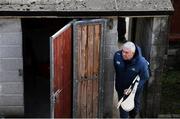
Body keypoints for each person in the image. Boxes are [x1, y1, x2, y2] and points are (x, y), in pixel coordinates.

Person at [113, 41, 150, 118]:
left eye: (126, 52)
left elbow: (145, 77)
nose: (123, 54)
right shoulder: (117, 56)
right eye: (123, 51)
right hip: (121, 89)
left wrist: (132, 89)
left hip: (135, 91)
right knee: (123, 112)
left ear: (133, 53)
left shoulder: (141, 62)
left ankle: (133, 116)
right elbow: (117, 71)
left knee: (134, 109)